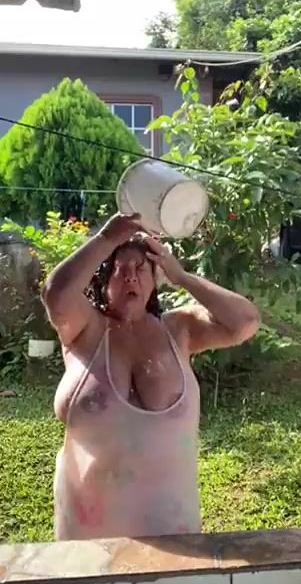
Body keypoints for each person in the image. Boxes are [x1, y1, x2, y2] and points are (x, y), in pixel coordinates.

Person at [42, 213, 260, 540]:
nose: (130, 276)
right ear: (103, 281)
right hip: (87, 531)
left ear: (154, 280)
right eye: (119, 269)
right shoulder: (83, 329)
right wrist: (106, 238)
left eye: (140, 268)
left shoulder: (179, 329)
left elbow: (245, 322)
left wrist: (181, 276)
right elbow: (55, 296)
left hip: (170, 529)